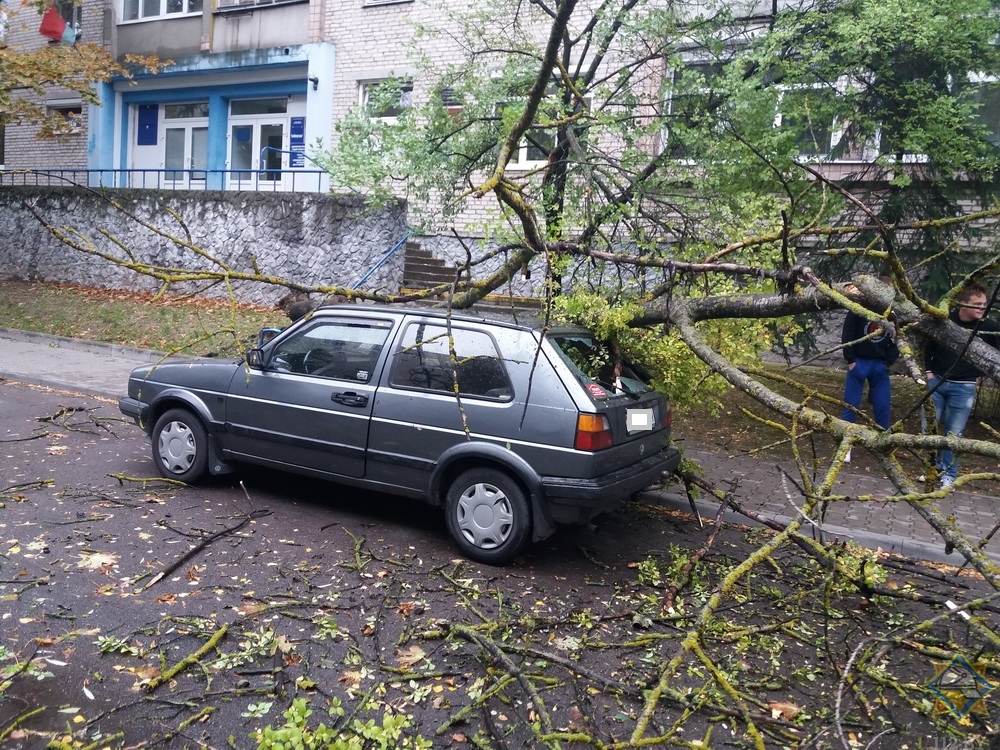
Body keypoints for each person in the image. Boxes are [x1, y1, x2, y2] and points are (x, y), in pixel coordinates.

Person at [923, 282, 1000, 488]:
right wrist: (928, 371)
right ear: (962, 304)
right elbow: (928, 344)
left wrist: (978, 374)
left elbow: (996, 358)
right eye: (977, 304)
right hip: (937, 382)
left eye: (984, 303)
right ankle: (932, 468)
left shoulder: (990, 328)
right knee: (928, 428)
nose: (982, 307)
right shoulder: (945, 320)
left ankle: (949, 473)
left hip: (964, 387)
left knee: (954, 434)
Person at [841, 291, 900, 461]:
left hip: (879, 364)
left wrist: (887, 362)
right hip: (859, 361)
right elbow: (847, 334)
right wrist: (851, 360)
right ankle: (846, 445)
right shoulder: (858, 309)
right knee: (851, 405)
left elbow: (898, 338)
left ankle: (882, 445)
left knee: (883, 405)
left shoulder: (892, 313)